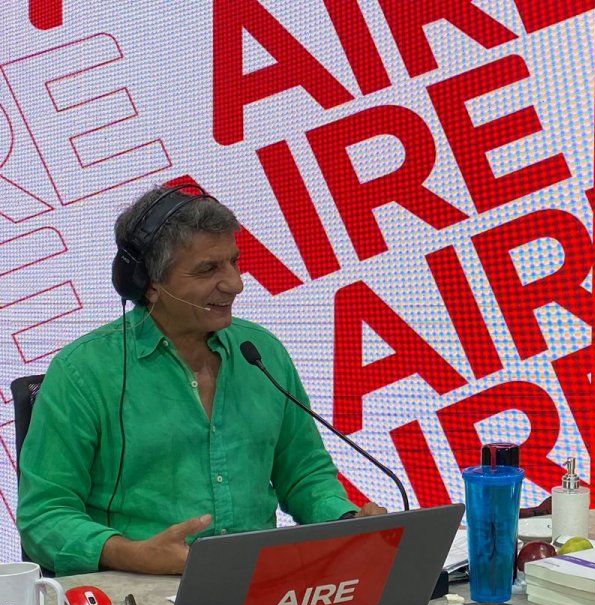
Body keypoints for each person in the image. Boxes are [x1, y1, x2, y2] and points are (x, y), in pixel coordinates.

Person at [17, 185, 384, 576]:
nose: (235, 283)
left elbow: (304, 475)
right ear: (149, 284)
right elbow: (44, 517)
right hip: (137, 591)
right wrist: (133, 554)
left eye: (233, 262)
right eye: (209, 269)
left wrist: (345, 520)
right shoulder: (82, 372)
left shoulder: (261, 351)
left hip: (259, 586)